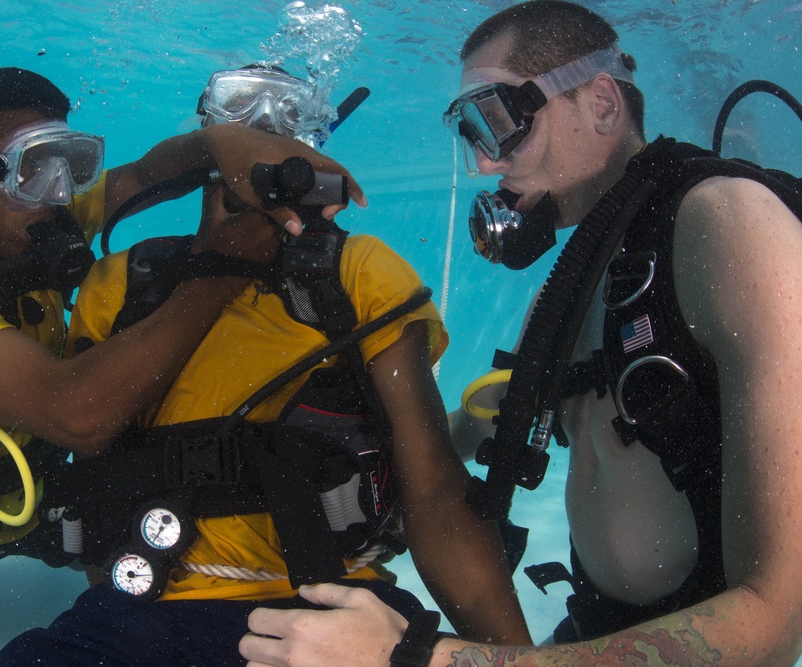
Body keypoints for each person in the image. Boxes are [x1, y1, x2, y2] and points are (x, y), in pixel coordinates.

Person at [238, 1, 802, 665]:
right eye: (470, 129)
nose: (483, 163)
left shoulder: (730, 223)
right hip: (594, 632)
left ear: (600, 103)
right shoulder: (583, 272)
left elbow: (775, 623)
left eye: (501, 120)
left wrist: (424, 659)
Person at [0, 64, 531, 666]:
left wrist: (517, 659)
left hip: (339, 606)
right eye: (240, 109)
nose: (266, 131)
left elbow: (435, 495)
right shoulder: (119, 285)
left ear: (312, 141)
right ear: (210, 130)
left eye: (288, 117)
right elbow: (101, 486)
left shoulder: (359, 274)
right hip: (151, 605)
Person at [0, 66, 366, 664]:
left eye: (71, 163)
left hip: (48, 483)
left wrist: (219, 144)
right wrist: (222, 268)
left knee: (135, 558)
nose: (57, 193)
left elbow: (146, 174)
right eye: (30, 167)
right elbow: (76, 416)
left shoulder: (31, 212)